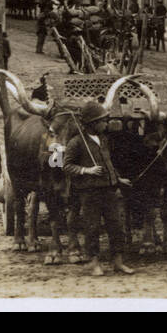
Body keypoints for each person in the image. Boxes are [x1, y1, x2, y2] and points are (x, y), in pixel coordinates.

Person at [64, 101, 134, 276]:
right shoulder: (76, 142)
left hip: (109, 191)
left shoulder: (104, 140)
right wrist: (86, 170)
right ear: (92, 123)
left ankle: (118, 262)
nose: (106, 123)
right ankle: (93, 263)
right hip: (90, 193)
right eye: (103, 120)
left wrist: (118, 179)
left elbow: (108, 164)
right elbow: (66, 166)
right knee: (92, 228)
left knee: (116, 226)